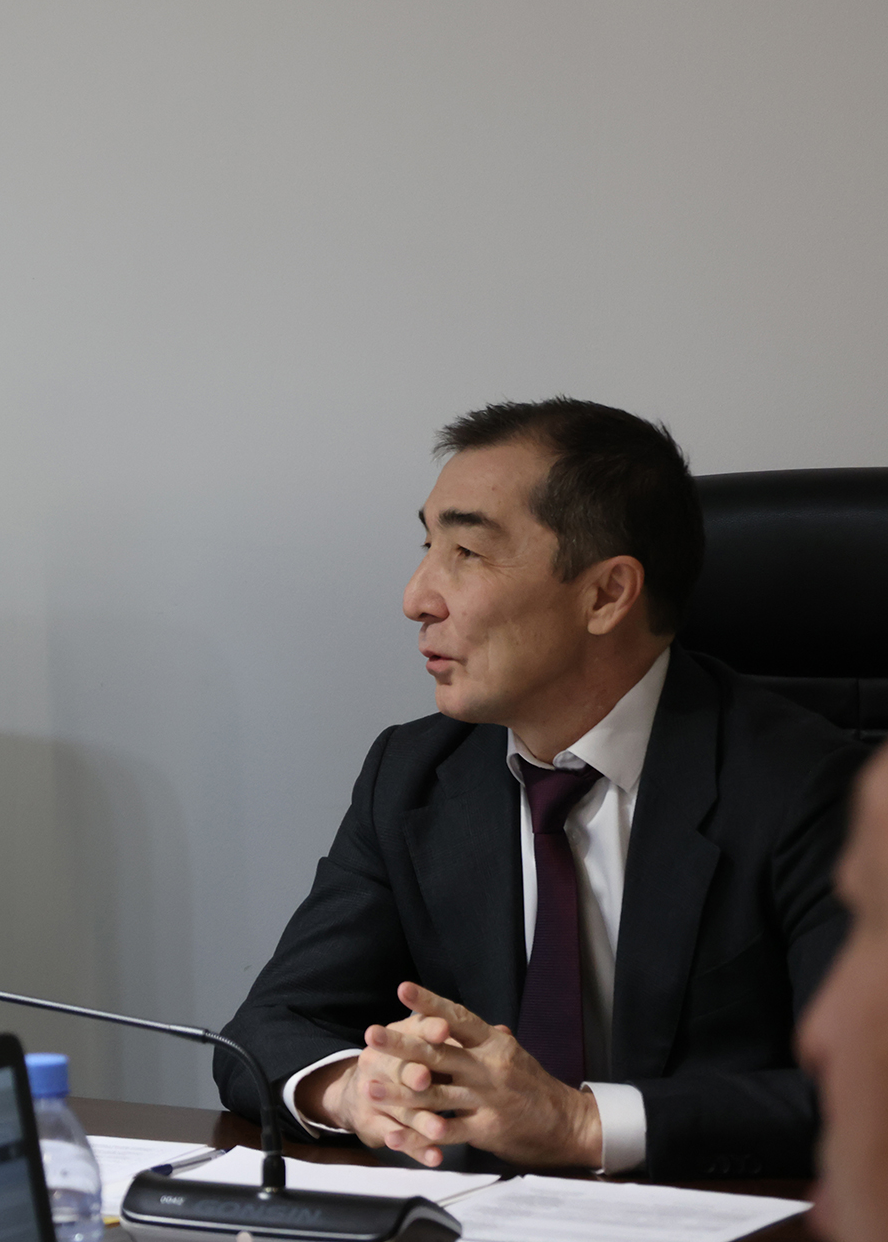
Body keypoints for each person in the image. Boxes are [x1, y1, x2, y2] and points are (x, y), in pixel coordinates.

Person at [214, 398, 864, 1178]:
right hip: (479, 1236)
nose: (415, 597)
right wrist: (354, 1088)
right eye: (427, 546)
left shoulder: (809, 786)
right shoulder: (413, 774)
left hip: (730, 1234)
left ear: (605, 595)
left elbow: (866, 1087)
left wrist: (578, 1124)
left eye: (466, 552)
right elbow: (269, 1025)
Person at [502, 744, 888, 1242]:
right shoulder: (412, 769)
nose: (815, 1035)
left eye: (874, 931)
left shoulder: (793, 776)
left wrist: (578, 1121)